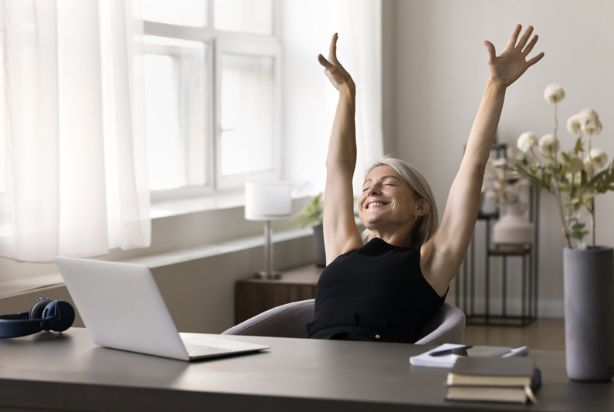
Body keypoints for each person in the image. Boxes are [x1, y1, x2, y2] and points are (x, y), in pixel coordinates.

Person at [307, 25, 544, 343]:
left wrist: (496, 85)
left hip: (371, 377)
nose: (372, 190)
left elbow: (472, 166)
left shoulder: (431, 260)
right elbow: (337, 169)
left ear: (421, 205)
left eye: (387, 183)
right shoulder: (342, 251)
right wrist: (347, 92)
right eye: (366, 187)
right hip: (312, 365)